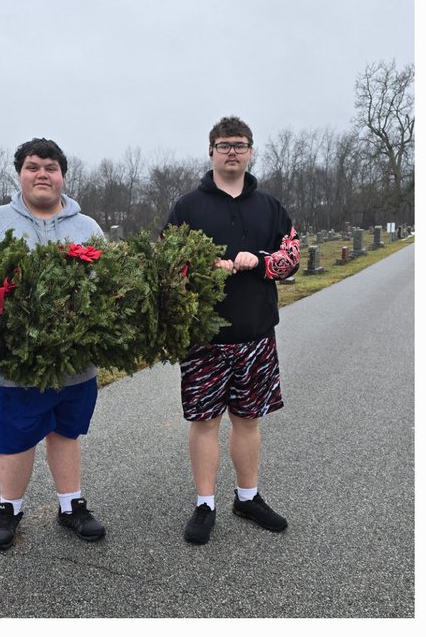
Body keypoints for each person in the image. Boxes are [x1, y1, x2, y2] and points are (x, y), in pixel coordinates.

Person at [0, 138, 107, 550]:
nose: (42, 174)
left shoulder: (86, 227)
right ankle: (9, 509)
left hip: (74, 360)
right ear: (20, 174)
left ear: (63, 176)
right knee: (15, 436)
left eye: (51, 167)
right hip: (12, 362)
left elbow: (109, 278)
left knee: (66, 432)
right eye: (33, 166)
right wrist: (5, 290)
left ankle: (71, 505)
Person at [165, 116, 299, 546]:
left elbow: (292, 255)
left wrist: (260, 261)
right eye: (224, 145)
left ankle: (248, 496)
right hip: (204, 339)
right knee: (205, 422)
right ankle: (206, 503)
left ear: (251, 151)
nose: (232, 152)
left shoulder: (270, 206)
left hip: (256, 334)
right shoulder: (187, 207)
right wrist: (202, 269)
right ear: (211, 152)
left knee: (248, 420)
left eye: (240, 145)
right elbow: (166, 265)